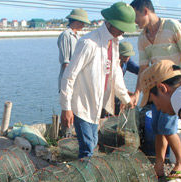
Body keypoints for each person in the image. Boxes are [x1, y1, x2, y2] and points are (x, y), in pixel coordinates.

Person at [130, 0, 181, 179]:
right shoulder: (142, 37)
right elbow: (143, 68)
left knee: (167, 127)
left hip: (176, 88)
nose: (135, 22)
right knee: (157, 126)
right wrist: (137, 92)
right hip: (157, 90)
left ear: (145, 11)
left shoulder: (172, 26)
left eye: (135, 16)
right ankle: (159, 165)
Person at [60, 2, 136, 159]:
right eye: (121, 27)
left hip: (96, 104)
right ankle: (86, 179)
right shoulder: (89, 43)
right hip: (81, 104)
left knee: (93, 143)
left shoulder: (113, 43)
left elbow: (116, 75)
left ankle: (86, 174)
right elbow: (69, 75)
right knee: (88, 147)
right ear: (111, 22)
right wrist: (66, 108)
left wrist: (125, 99)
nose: (122, 31)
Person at [57, 8, 91, 92]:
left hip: (77, 81)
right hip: (69, 82)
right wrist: (70, 82)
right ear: (76, 21)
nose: (83, 25)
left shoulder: (77, 36)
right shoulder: (66, 35)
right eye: (82, 22)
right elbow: (65, 62)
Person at [114, 41, 140, 113]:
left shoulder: (127, 62)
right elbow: (113, 83)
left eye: (129, 56)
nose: (127, 58)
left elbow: (139, 71)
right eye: (125, 56)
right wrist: (126, 93)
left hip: (119, 91)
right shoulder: (112, 63)